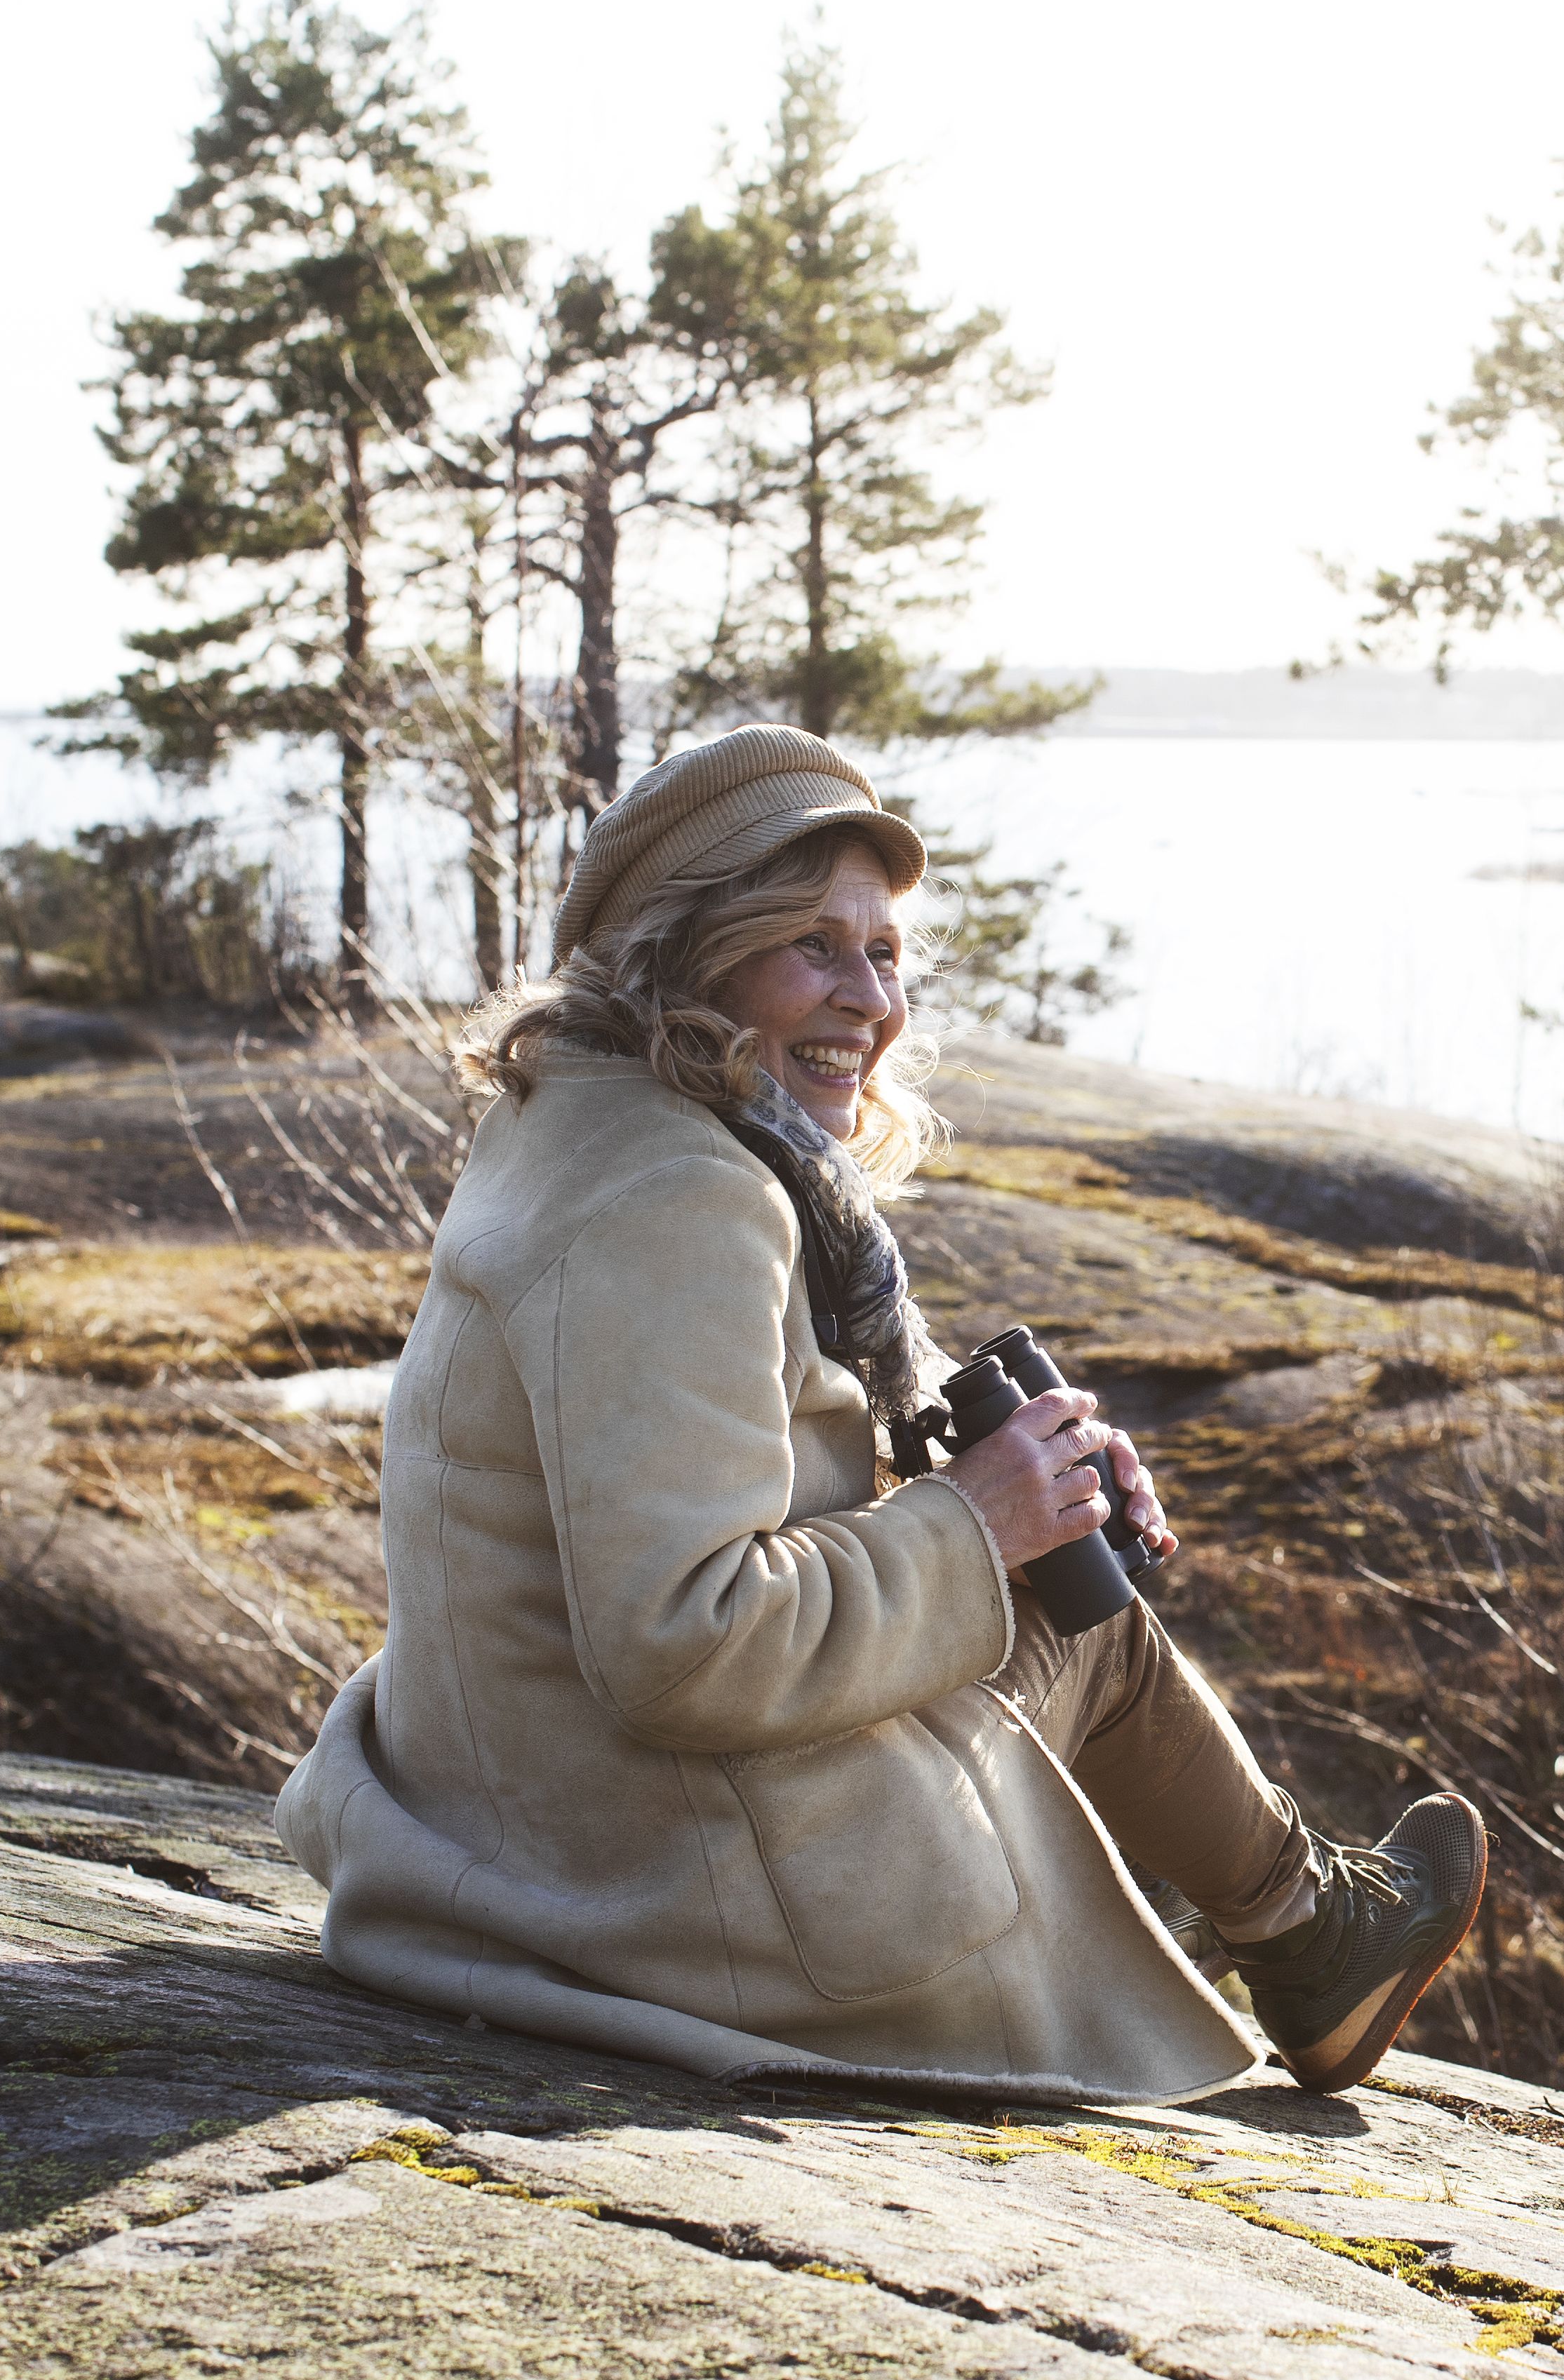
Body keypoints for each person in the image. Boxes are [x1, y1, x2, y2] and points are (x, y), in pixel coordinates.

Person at [276, 724, 1485, 2105]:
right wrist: (978, 1521)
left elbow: (698, 1454)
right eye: (816, 947)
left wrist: (1016, 1479)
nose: (872, 1001)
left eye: (887, 952)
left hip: (524, 1826)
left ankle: (1309, 1927)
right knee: (1085, 1631)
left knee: (1052, 1570)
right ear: (689, 952)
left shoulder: (576, 1120)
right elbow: (682, 1640)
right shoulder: (683, 1199)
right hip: (662, 1890)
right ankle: (1314, 1937)